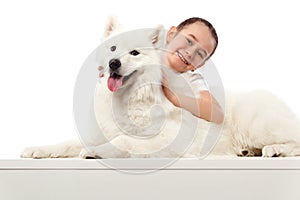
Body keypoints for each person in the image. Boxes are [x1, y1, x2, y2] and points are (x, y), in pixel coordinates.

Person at [161, 17, 224, 124]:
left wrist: (173, 97)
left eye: (200, 54)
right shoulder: (147, 52)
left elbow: (217, 114)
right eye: (189, 41)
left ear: (199, 65)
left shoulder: (191, 77)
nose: (190, 53)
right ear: (171, 34)